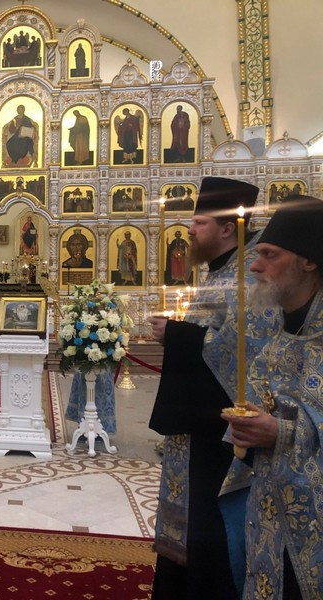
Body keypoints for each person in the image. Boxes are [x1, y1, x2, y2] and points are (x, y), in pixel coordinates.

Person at [146, 177, 277, 600]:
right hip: (200, 427)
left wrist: (176, 335)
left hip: (223, 435)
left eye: (199, 222)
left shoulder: (247, 275)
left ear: (226, 228)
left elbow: (246, 349)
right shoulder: (222, 269)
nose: (189, 230)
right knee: (192, 525)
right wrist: (180, 333)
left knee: (211, 530)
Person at [221, 195, 323, 599]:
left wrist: (283, 432)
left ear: (308, 261)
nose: (254, 265)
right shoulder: (279, 336)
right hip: (269, 519)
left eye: (269, 254)